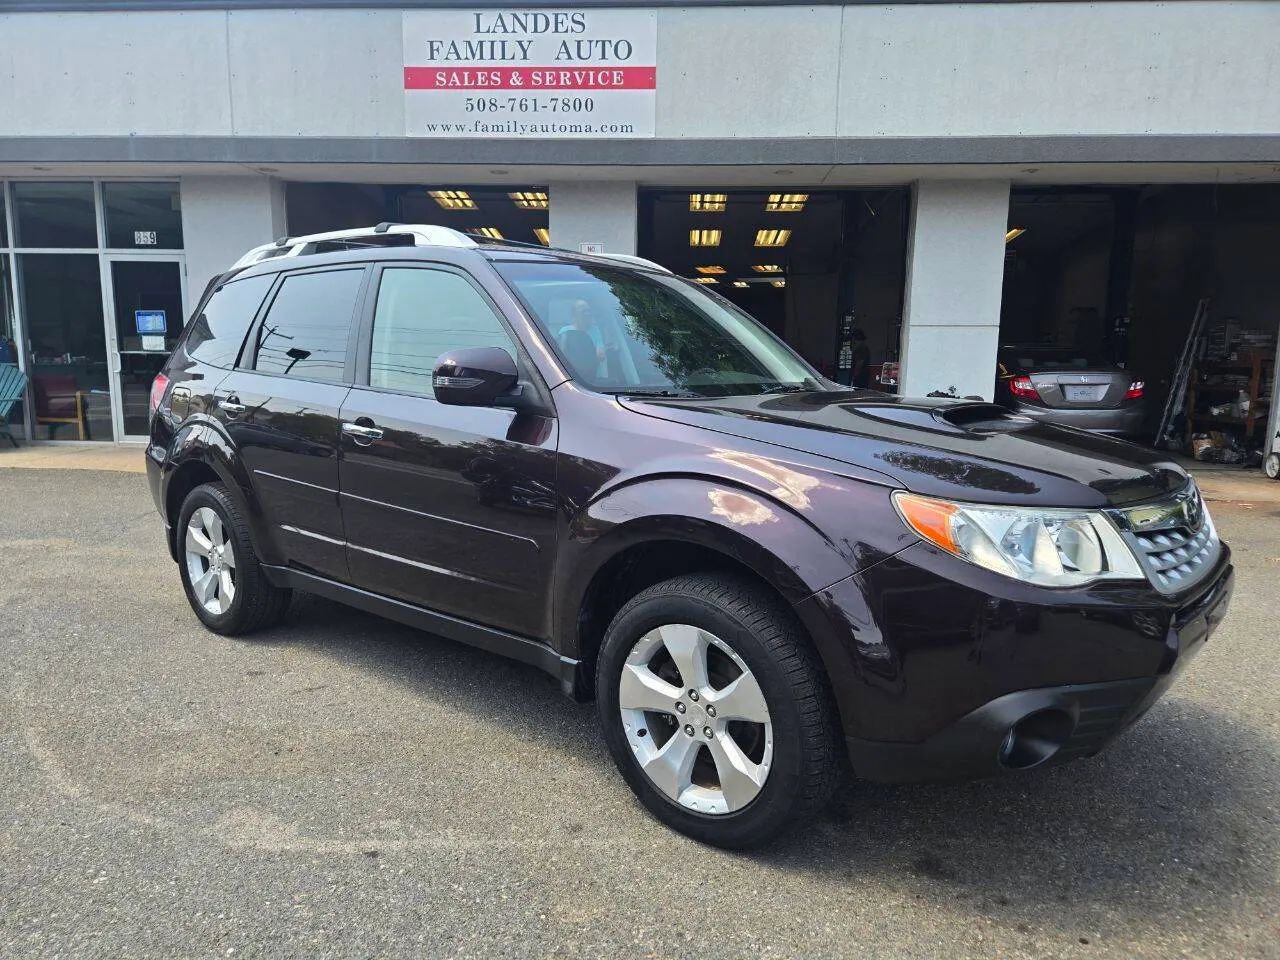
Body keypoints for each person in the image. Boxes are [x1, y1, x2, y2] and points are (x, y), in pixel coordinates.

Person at [558, 298, 608, 378]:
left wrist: (601, 351)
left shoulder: (595, 330)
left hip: (592, 374)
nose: (587, 313)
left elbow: (600, 353)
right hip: (570, 375)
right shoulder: (565, 331)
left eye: (588, 311)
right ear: (574, 314)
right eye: (583, 311)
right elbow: (560, 356)